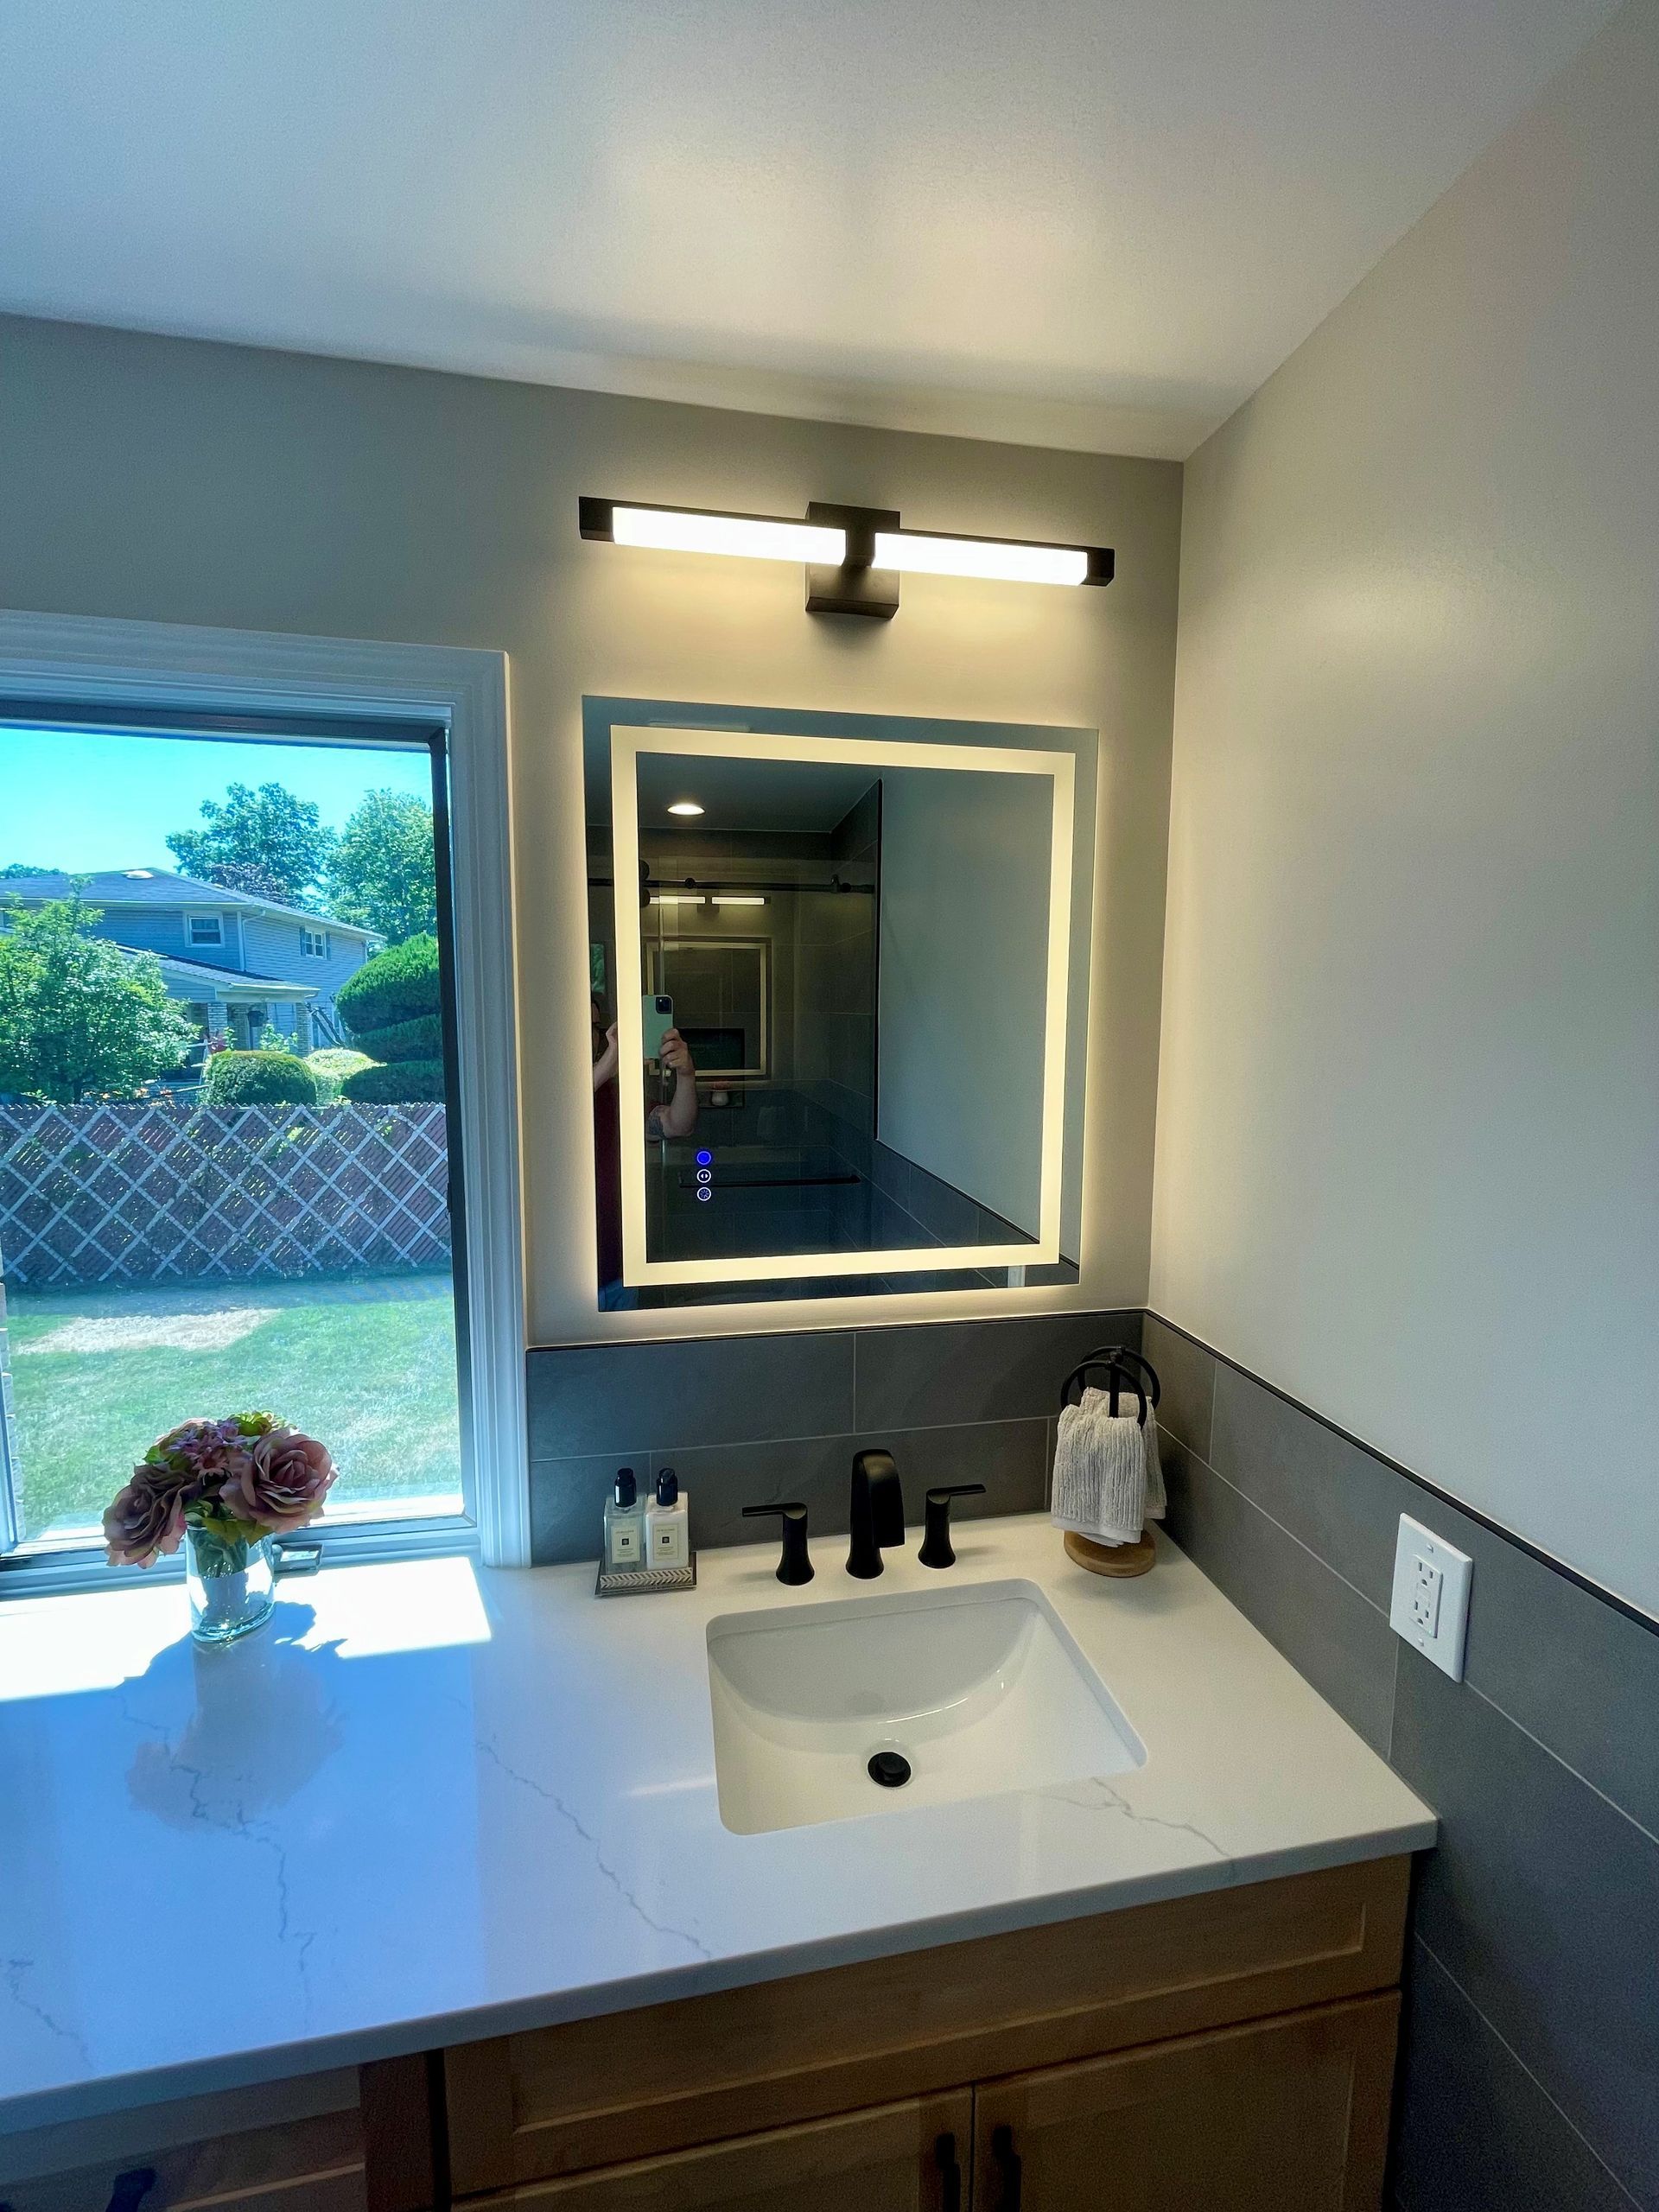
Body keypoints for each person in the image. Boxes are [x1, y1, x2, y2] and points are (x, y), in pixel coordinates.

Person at [591, 995, 696, 1308]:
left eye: (596, 1026)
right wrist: (605, 1067)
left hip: (620, 1275)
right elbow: (557, 1120)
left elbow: (678, 1125)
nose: (594, 1035)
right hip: (562, 1282)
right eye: (582, 1025)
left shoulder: (613, 1095)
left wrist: (687, 1074)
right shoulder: (535, 1095)